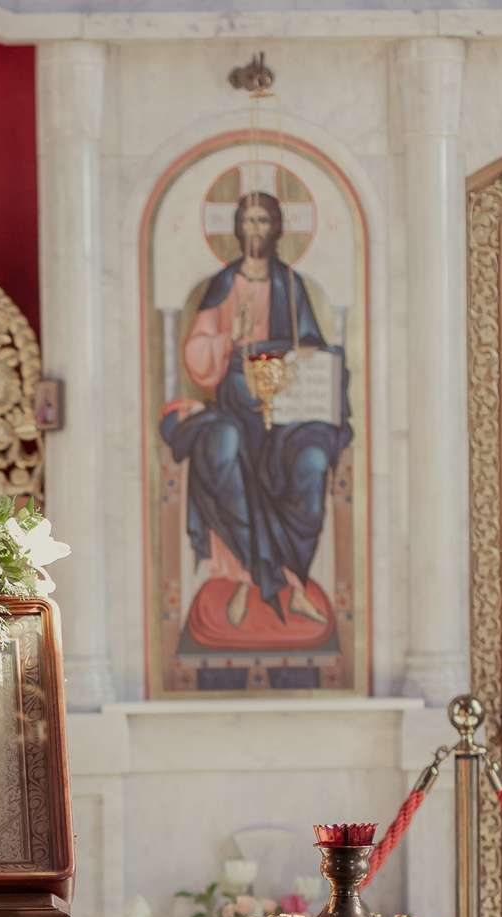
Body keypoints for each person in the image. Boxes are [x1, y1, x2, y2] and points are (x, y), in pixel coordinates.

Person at [158, 190, 350, 652]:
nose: (256, 229)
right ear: (237, 228)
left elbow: (315, 348)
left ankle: (292, 578)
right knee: (222, 445)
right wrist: (230, 337)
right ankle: (252, 577)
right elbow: (195, 354)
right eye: (249, 220)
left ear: (278, 228)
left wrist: (303, 364)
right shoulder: (224, 284)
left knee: (312, 458)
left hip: (289, 408)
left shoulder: (291, 283)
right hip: (235, 403)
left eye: (265, 220)